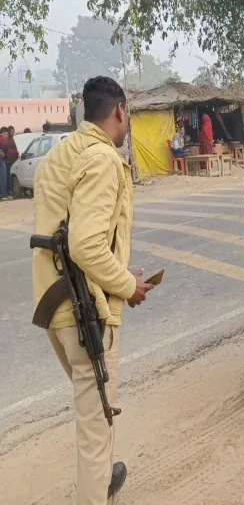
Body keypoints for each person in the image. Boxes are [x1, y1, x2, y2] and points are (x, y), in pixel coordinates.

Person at [32, 76, 154, 503]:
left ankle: (104, 480)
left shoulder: (58, 154)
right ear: (119, 110)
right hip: (86, 314)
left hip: (55, 309)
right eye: (129, 115)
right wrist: (128, 285)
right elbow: (85, 244)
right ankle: (96, 489)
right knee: (95, 429)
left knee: (94, 419)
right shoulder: (102, 159)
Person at [0, 127, 8, 200]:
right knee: (3, 177)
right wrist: (3, 154)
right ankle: (4, 195)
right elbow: (2, 152)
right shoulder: (2, 139)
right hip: (1, 160)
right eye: (7, 133)